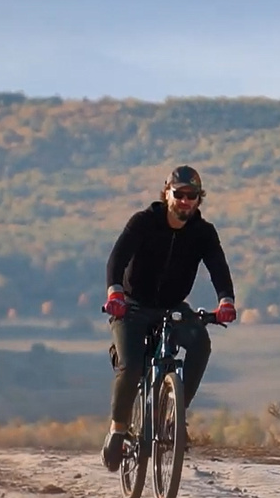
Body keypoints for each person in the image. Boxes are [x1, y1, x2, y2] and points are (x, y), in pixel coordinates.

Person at [100, 165, 237, 471]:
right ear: (167, 193)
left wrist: (225, 300)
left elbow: (218, 266)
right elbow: (116, 259)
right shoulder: (143, 223)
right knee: (132, 366)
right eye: (180, 194)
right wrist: (114, 294)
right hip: (132, 307)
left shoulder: (203, 232)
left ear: (199, 200)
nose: (186, 200)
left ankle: (175, 418)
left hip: (173, 308)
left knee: (200, 343)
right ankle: (118, 430)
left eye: (193, 195)